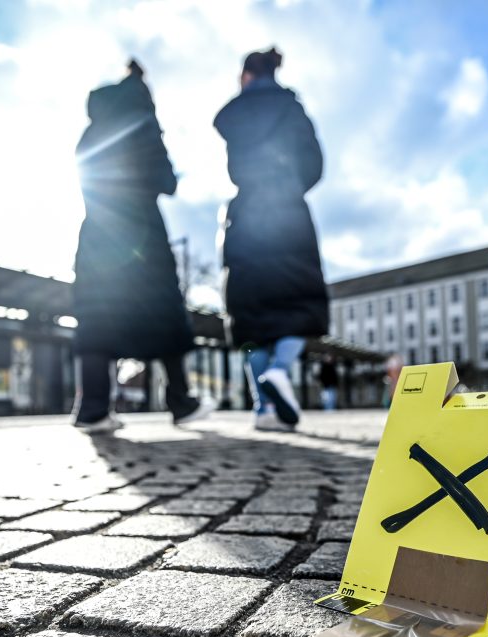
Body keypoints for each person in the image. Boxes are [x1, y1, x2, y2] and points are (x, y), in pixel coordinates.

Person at [72, 59, 214, 432]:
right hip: (141, 233)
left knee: (97, 319)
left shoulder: (91, 132)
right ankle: (181, 402)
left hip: (97, 233)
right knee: (164, 314)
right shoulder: (142, 124)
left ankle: (92, 409)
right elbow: (166, 180)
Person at [215, 47, 328, 432]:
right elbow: (315, 162)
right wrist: (291, 185)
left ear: (246, 76)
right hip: (286, 213)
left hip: (246, 214)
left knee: (252, 318)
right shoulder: (290, 108)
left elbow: (234, 167)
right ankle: (280, 371)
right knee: (298, 303)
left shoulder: (237, 113)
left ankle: (263, 410)